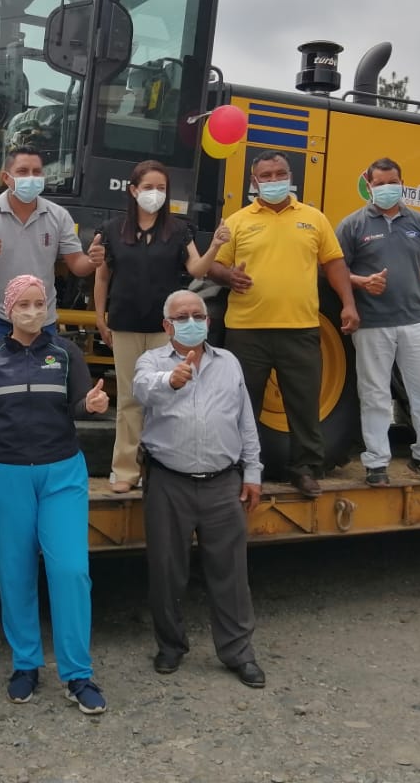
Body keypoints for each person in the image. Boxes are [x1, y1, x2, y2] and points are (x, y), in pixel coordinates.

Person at [0, 274, 111, 714]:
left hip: (61, 473)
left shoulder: (64, 353)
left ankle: (77, 673)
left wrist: (92, 405)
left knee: (71, 570)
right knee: (15, 573)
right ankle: (25, 664)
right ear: (8, 310)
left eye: (38, 303)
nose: (32, 311)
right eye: (23, 304)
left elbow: (79, 402)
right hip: (2, 474)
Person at [132, 289, 265, 688]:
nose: (191, 322)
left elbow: (245, 421)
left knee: (231, 573)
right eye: (182, 317)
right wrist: (170, 381)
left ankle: (238, 652)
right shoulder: (151, 362)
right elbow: (141, 389)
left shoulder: (229, 363)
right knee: (166, 570)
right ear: (167, 325)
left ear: (208, 321)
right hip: (168, 481)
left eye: (198, 315)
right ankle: (170, 646)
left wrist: (253, 473)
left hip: (223, 483)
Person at [207, 150, 359, 498]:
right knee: (242, 405)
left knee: (304, 405)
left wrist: (349, 304)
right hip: (247, 330)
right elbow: (213, 265)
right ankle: (241, 469)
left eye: (280, 174)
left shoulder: (314, 219)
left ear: (290, 177)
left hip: (300, 329)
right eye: (266, 175)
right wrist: (228, 276)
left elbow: (334, 263)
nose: (274, 180)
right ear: (254, 181)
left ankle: (305, 469)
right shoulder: (237, 221)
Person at [94, 159, 231, 492]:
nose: (154, 194)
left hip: (165, 329)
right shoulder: (113, 230)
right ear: (133, 190)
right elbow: (102, 276)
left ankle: (162, 468)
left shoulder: (179, 230)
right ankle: (125, 471)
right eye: (148, 187)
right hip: (125, 323)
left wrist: (216, 245)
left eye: (161, 188)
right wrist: (100, 317)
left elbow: (197, 269)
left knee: (165, 397)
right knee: (129, 399)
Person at [336, 158, 420, 490]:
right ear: (369, 186)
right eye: (380, 183)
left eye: (393, 182)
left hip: (417, 321)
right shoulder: (352, 225)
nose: (387, 188)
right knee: (374, 395)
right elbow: (334, 270)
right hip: (372, 324)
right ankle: (376, 462)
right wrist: (361, 282)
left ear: (402, 183)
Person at [0, 145, 104, 352]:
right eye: (22, 171)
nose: (31, 177)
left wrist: (92, 261)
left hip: (40, 320)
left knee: (44, 374)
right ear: (6, 177)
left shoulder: (59, 216)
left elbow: (77, 264)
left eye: (36, 172)